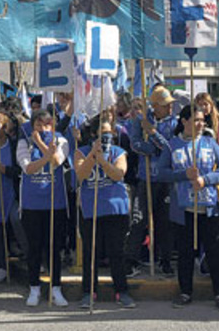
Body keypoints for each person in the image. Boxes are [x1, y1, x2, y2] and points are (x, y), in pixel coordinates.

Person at [169, 105, 219, 311]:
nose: (201, 123)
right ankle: (185, 291)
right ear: (184, 121)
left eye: (203, 120)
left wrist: (206, 179)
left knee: (215, 252)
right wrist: (182, 175)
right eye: (196, 120)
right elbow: (160, 172)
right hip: (184, 209)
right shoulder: (173, 145)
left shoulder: (210, 143)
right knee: (185, 253)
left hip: (210, 207)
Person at [73, 117, 135, 309]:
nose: (106, 137)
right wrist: (93, 156)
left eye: (109, 133)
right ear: (93, 135)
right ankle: (89, 292)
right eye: (102, 134)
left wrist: (103, 161)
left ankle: (122, 291)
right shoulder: (80, 152)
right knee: (91, 253)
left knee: (116, 252)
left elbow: (119, 173)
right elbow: (81, 175)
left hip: (115, 209)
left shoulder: (118, 152)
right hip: (91, 210)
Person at [17, 109, 69, 307]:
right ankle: (34, 288)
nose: (43, 128)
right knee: (34, 247)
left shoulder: (61, 141)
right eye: (38, 125)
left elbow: (56, 161)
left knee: (54, 247)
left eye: (47, 125)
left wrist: (47, 150)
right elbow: (28, 168)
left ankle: (56, 288)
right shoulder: (24, 143)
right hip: (32, 204)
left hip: (55, 203)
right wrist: (39, 144)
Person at [125, 86, 176, 277]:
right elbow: (135, 144)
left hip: (164, 180)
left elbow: (169, 147)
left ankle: (166, 261)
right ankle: (131, 260)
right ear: (155, 106)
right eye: (165, 105)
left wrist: (153, 134)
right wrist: (154, 148)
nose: (169, 108)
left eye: (170, 104)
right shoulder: (141, 120)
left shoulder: (174, 122)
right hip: (145, 177)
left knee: (165, 223)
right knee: (139, 220)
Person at [0, 111, 26, 284]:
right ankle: (1, 265)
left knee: (17, 221)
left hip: (12, 193)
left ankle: (29, 256)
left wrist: (7, 171)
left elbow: (21, 170)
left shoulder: (13, 145)